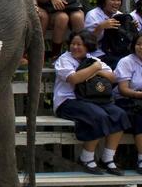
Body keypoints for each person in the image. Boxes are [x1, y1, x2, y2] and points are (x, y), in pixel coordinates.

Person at [54, 30, 128, 175]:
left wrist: (97, 71)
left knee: (119, 114)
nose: (75, 47)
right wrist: (94, 68)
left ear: (88, 46)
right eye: (73, 44)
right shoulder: (65, 59)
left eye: (79, 44)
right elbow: (74, 79)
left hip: (92, 100)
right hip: (68, 101)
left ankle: (108, 159)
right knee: (98, 115)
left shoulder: (92, 59)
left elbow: (113, 77)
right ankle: (86, 158)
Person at [113, 33, 142, 174]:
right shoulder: (126, 61)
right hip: (126, 100)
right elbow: (123, 90)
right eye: (139, 44)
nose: (141, 47)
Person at [85, 0, 127, 66]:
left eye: (118, 0)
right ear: (104, 1)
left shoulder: (119, 15)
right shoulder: (92, 15)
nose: (116, 3)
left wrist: (131, 27)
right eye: (113, 0)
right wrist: (100, 27)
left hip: (116, 52)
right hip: (97, 54)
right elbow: (88, 42)